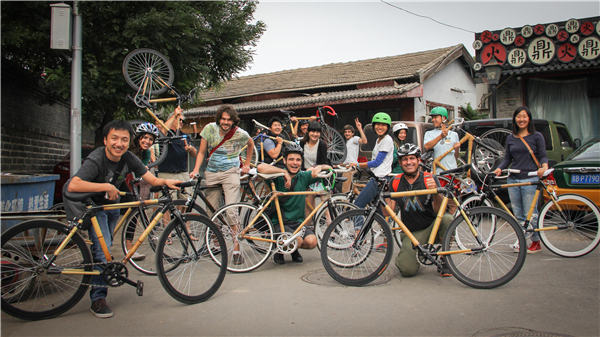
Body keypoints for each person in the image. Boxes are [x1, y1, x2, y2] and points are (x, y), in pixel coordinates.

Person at [64, 120, 181, 318]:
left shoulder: (128, 157)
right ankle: (98, 299)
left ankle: (99, 278)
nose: (119, 144)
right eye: (114, 139)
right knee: (103, 252)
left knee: (104, 249)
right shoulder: (97, 158)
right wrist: (105, 187)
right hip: (94, 206)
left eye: (124, 140)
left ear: (129, 142)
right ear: (105, 140)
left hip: (111, 206)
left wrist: (166, 182)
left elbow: (150, 179)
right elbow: (74, 185)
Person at [189, 104, 254, 265]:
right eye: (223, 119)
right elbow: (202, 152)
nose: (225, 122)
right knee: (211, 211)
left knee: (231, 211)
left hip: (231, 172)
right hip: (212, 172)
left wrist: (246, 164)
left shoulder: (240, 134)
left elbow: (251, 143)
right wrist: (196, 169)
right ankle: (216, 242)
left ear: (233, 121)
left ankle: (237, 248)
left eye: (228, 120)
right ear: (219, 119)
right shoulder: (209, 129)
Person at [257, 143, 332, 264]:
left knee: (312, 241)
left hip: (298, 223)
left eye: (298, 160)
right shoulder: (278, 176)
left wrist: (319, 167)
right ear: (285, 161)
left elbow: (329, 168)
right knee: (298, 240)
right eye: (291, 159)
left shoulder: (303, 176)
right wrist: (283, 172)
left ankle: (292, 248)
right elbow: (260, 167)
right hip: (280, 223)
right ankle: (281, 250)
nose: (295, 163)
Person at [389, 143, 453, 277]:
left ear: (419, 160)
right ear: (400, 163)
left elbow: (439, 210)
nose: (409, 162)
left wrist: (435, 192)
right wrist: (381, 195)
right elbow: (388, 212)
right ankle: (418, 252)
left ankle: (445, 258)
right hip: (411, 233)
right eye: (405, 159)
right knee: (406, 270)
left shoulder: (429, 178)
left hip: (431, 227)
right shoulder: (395, 182)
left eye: (412, 158)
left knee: (447, 219)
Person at [493, 106, 549, 254]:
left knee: (530, 213)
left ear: (529, 118)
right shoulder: (511, 137)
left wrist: (544, 166)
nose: (521, 119)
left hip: (530, 178)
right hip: (513, 178)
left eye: (524, 116)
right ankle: (526, 240)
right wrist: (499, 168)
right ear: (515, 119)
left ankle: (532, 242)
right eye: (518, 116)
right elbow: (507, 159)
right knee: (518, 214)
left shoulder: (537, 136)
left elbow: (543, 155)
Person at [124, 122, 160, 261]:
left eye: (151, 139)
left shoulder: (146, 152)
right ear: (138, 137)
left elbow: (142, 171)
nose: (147, 141)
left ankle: (129, 248)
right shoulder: (128, 149)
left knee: (134, 214)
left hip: (131, 183)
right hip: (120, 182)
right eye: (144, 138)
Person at [349, 112, 394, 211]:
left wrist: (358, 164)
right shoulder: (379, 139)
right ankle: (384, 226)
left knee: (358, 205)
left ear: (388, 127)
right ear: (374, 126)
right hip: (377, 177)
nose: (380, 127)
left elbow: (377, 162)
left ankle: (358, 227)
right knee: (377, 209)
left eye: (383, 125)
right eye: (377, 124)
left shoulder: (387, 140)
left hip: (380, 178)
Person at [300, 121, 330, 218]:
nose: (315, 134)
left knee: (325, 201)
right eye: (313, 131)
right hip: (306, 175)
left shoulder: (322, 144)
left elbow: (323, 162)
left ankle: (331, 226)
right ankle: (310, 225)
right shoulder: (302, 143)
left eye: (317, 132)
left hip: (319, 175)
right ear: (308, 132)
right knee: (308, 203)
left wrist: (313, 168)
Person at [341, 118, 367, 193]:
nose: (347, 133)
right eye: (345, 132)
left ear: (352, 133)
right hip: (347, 166)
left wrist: (360, 128)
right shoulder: (347, 143)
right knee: (354, 189)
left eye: (349, 132)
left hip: (350, 168)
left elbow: (364, 141)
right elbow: (348, 157)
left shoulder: (354, 139)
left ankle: (344, 204)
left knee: (345, 190)